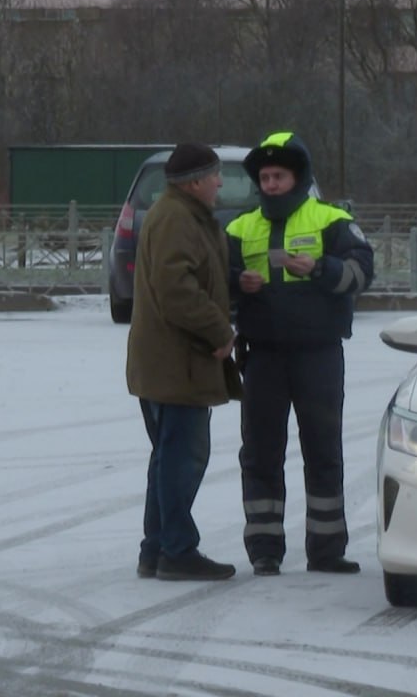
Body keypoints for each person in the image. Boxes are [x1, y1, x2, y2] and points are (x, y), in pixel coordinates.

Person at [226, 132, 375, 577]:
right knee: (260, 454)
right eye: (265, 177)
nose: (271, 184)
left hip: (318, 355)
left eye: (279, 175)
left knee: (323, 450)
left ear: (299, 177)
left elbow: (362, 273)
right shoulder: (239, 227)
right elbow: (215, 279)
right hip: (263, 357)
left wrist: (320, 268)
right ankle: (265, 549)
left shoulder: (333, 220)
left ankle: (327, 550)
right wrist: (237, 282)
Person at [126, 142, 241, 581]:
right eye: (214, 176)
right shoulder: (177, 219)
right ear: (194, 182)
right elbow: (177, 289)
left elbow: (194, 277)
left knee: (167, 457)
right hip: (177, 365)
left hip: (165, 363)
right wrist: (219, 330)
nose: (219, 184)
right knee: (181, 459)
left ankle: (156, 549)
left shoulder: (179, 214)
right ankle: (176, 550)